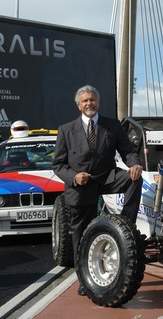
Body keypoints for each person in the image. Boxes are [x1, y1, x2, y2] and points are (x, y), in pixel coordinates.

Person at [52, 85, 143, 296]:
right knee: (81, 234)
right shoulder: (66, 130)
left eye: (92, 100)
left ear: (98, 103)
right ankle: (84, 278)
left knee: (133, 179)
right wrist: (74, 176)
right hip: (80, 185)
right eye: (85, 101)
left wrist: (134, 164)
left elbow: (128, 151)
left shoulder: (112, 125)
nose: (89, 104)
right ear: (78, 105)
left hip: (107, 177)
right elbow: (58, 165)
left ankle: (126, 223)